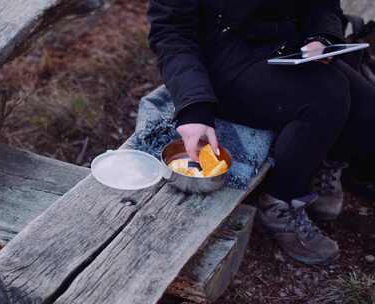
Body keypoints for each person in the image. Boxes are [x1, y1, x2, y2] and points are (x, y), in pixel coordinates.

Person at [147, 0, 375, 265]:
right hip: (221, 62)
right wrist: (193, 108)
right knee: (326, 97)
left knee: (367, 108)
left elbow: (323, 5)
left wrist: (321, 37)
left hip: (288, 47)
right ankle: (281, 202)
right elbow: (171, 32)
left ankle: (323, 162)